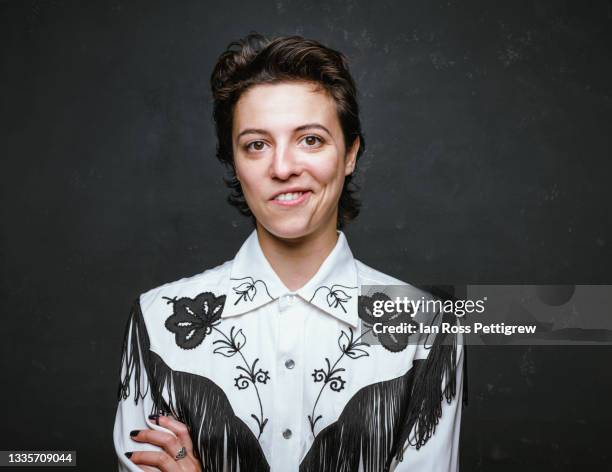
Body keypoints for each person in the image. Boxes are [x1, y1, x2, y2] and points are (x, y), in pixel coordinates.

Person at [113, 33, 465, 472]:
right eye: (256, 144)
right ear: (234, 162)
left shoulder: (424, 325)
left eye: (311, 140)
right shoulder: (157, 320)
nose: (282, 168)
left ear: (350, 153)